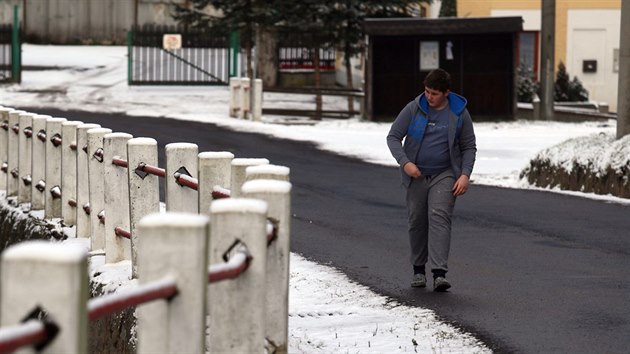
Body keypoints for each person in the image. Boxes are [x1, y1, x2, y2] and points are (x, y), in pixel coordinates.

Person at [386, 68, 476, 291]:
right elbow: (393, 137)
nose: (429, 97)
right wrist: (405, 163)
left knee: (439, 217)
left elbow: (468, 147)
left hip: (445, 173)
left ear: (446, 93)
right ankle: (418, 270)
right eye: (426, 91)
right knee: (417, 220)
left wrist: (465, 175)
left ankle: (439, 274)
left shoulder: (459, 113)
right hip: (416, 174)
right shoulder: (414, 108)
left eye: (434, 93)